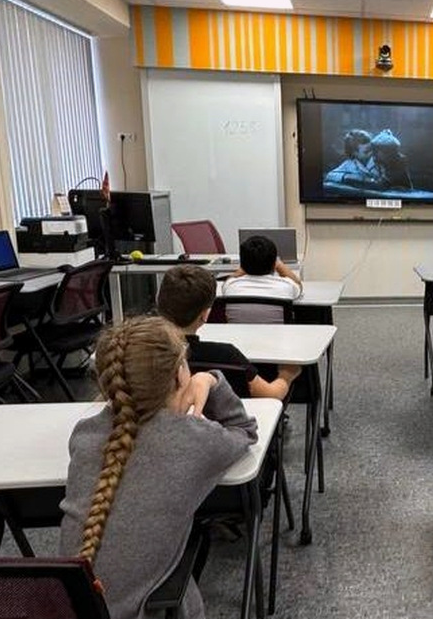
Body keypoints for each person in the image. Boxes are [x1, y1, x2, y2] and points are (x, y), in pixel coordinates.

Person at [59, 316, 258, 619]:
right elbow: (244, 430)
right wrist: (211, 381)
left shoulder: (84, 434)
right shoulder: (194, 439)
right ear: (180, 375)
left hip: (68, 606)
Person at [158, 264, 301, 400]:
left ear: (159, 304)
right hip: (223, 416)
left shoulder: (149, 349)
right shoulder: (226, 355)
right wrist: (286, 375)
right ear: (205, 315)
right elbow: (271, 394)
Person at [221, 234, 302, 322]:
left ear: (242, 264)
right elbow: (298, 284)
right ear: (274, 264)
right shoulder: (287, 286)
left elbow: (230, 279)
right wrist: (279, 265)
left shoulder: (230, 286)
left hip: (237, 331)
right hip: (277, 331)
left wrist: (247, 264)